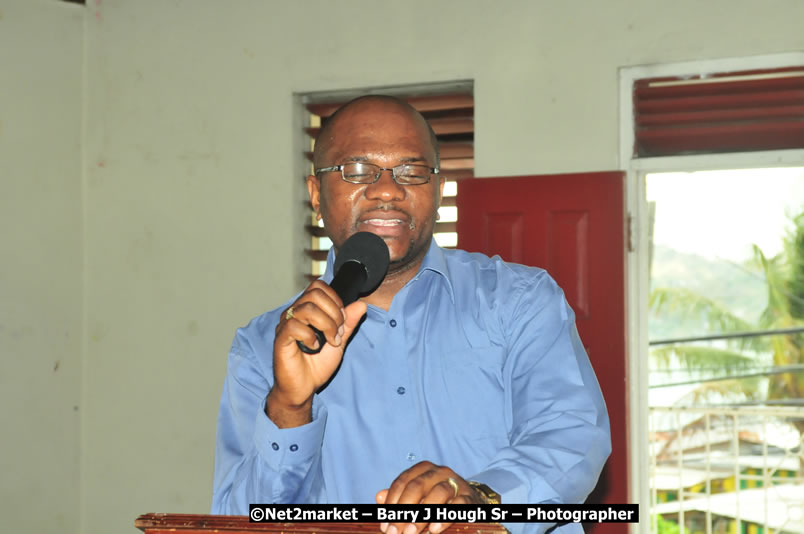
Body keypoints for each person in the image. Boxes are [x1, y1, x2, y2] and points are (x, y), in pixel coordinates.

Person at [212, 95, 611, 534]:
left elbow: (572, 436)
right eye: (357, 170)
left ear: (438, 191)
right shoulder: (262, 348)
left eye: (411, 170)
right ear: (316, 194)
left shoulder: (519, 300)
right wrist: (290, 406)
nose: (387, 190)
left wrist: (482, 501)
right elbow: (240, 522)